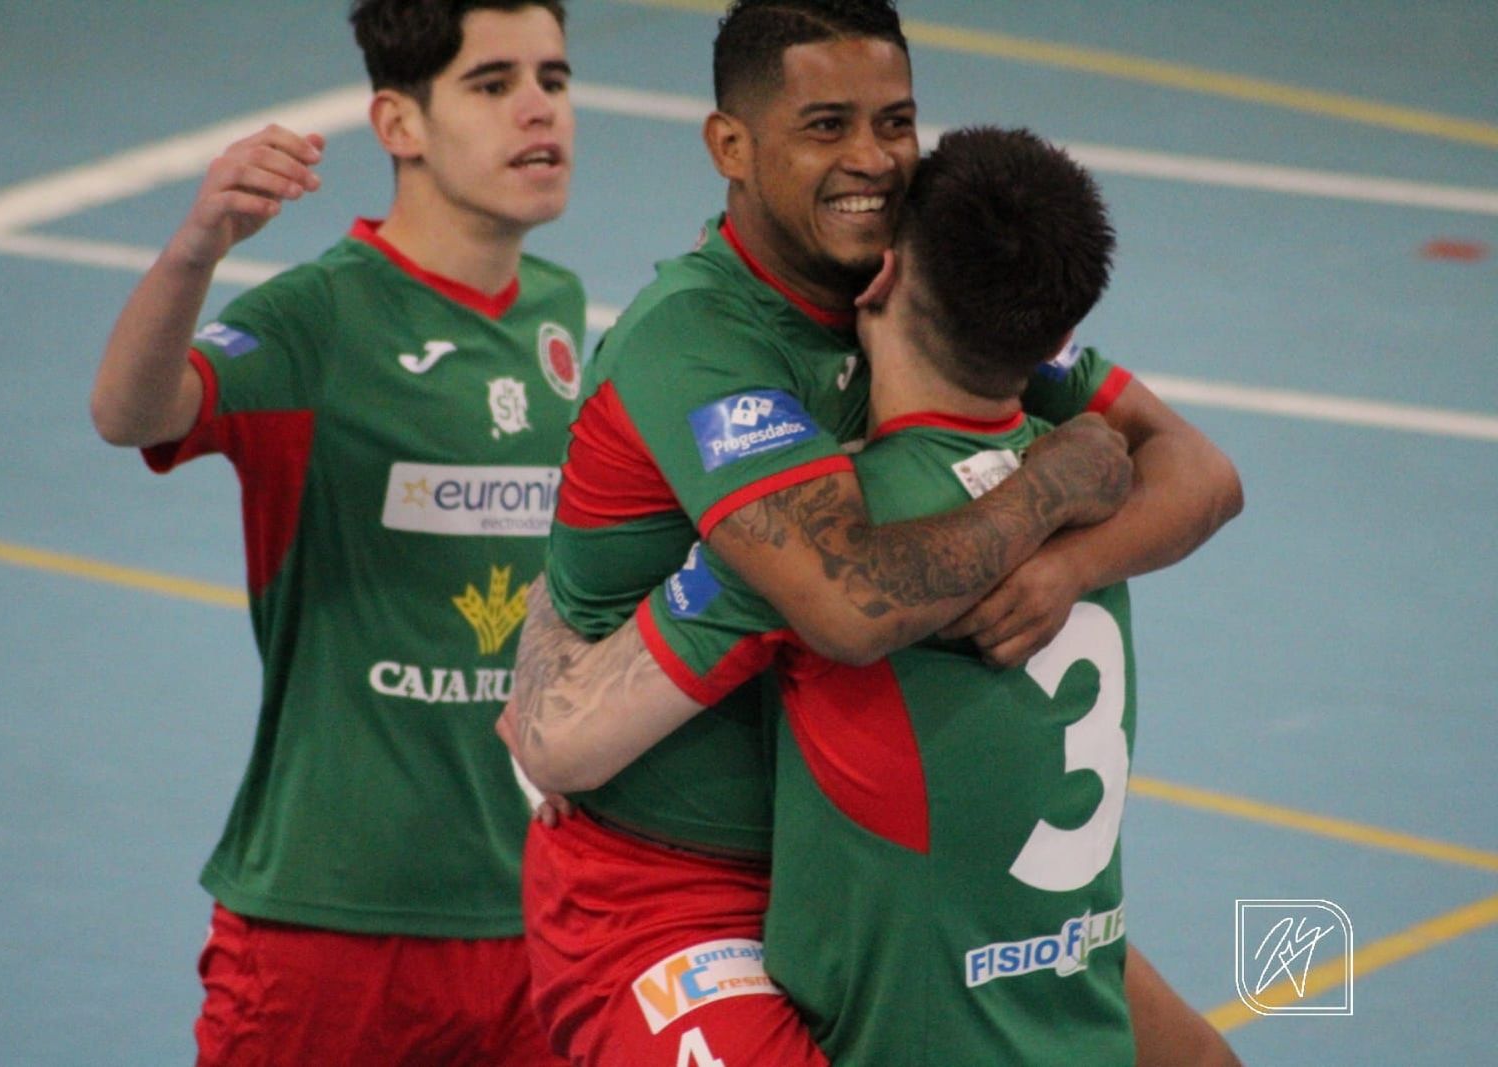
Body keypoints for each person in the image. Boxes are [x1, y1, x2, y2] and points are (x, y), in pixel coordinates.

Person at [519, 2, 1242, 1066]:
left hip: (885, 880)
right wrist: (1047, 492)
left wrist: (1074, 564)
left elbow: (1201, 470)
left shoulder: (917, 290)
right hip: (674, 889)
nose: (873, 159)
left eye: (894, 121)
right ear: (731, 145)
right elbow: (849, 603)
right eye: (825, 126)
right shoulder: (701, 338)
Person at [89, 2, 580, 1064]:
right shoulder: (320, 318)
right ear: (398, 123)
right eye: (492, 85)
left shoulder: (560, 311)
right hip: (330, 927)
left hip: (529, 921)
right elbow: (132, 411)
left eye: (553, 76)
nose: (539, 107)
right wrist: (197, 246)